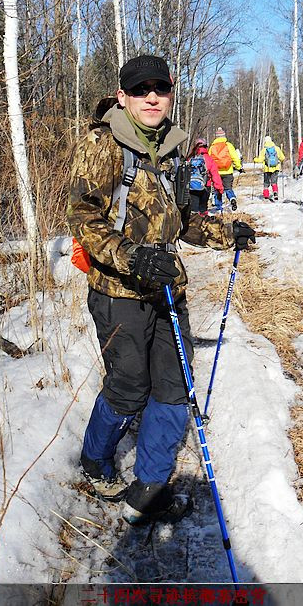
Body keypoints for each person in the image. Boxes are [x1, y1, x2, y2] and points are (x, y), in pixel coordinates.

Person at [67, 54, 256, 526]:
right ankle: (94, 460)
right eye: (140, 89)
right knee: (129, 389)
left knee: (174, 388)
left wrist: (224, 233)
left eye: (160, 88)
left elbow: (183, 220)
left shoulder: (173, 148)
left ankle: (148, 488)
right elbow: (83, 217)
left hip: (168, 290)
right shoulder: (102, 144)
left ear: (170, 93)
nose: (152, 97)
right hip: (118, 291)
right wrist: (131, 256)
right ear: (122, 97)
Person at [208, 126, 243, 211]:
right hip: (228, 171)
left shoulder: (212, 147)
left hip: (216, 173)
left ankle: (218, 208)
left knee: (217, 190)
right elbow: (235, 157)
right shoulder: (228, 145)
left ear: (216, 137)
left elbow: (209, 160)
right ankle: (232, 198)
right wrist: (239, 167)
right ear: (224, 136)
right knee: (228, 188)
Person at [186, 138, 224, 215]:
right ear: (206, 146)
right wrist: (219, 189)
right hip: (206, 187)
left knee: (194, 209)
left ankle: (193, 224)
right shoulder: (209, 159)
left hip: (192, 186)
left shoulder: (190, 158)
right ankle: (203, 223)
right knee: (203, 208)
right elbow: (215, 175)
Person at [253, 136, 285, 201]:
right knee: (274, 182)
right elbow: (282, 158)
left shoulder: (264, 150)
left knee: (266, 183)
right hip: (276, 168)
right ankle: (275, 193)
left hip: (267, 169)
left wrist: (255, 159)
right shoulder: (277, 148)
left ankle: (266, 196)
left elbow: (260, 160)